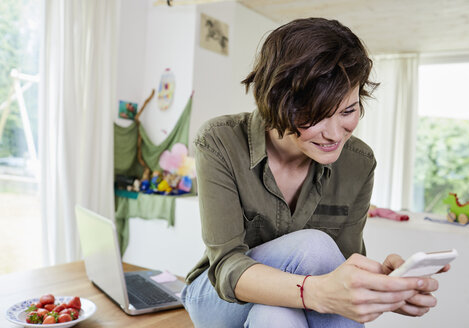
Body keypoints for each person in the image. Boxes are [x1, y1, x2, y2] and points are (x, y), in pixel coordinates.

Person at [181, 18, 448, 327]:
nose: (335, 134)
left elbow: (342, 266)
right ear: (277, 103)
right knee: (313, 246)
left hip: (280, 309)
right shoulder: (220, 140)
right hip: (216, 297)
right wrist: (318, 293)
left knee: (276, 315)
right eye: (316, 116)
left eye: (348, 111)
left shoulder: (358, 163)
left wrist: (382, 288)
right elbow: (227, 266)